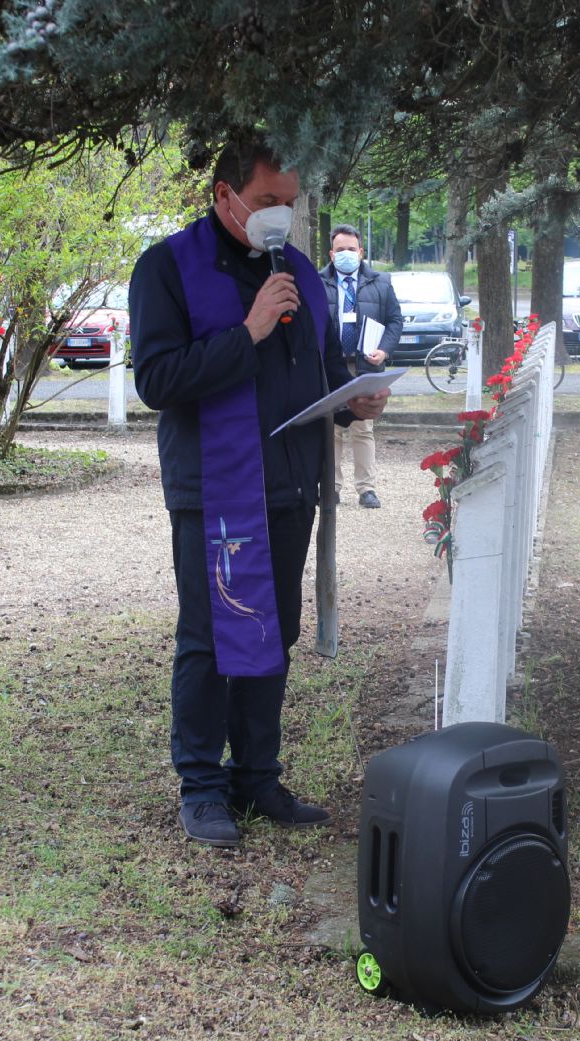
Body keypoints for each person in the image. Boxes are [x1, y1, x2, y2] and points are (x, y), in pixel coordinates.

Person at [129, 133, 390, 847]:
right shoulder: (167, 267)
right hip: (214, 489)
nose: (281, 213)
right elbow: (156, 379)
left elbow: (319, 373)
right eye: (266, 199)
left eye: (289, 202)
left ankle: (256, 776)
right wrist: (246, 332)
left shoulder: (298, 272)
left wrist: (355, 400)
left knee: (274, 631)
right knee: (210, 637)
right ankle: (201, 785)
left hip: (288, 486)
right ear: (226, 195)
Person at [319, 224, 403, 509]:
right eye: (340, 250)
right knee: (331, 428)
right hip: (330, 367)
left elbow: (394, 321)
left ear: (361, 252)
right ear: (331, 254)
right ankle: (331, 487)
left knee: (363, 427)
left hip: (365, 366)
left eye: (351, 249)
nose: (346, 254)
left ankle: (366, 488)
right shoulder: (318, 283)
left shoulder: (381, 283)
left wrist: (384, 349)